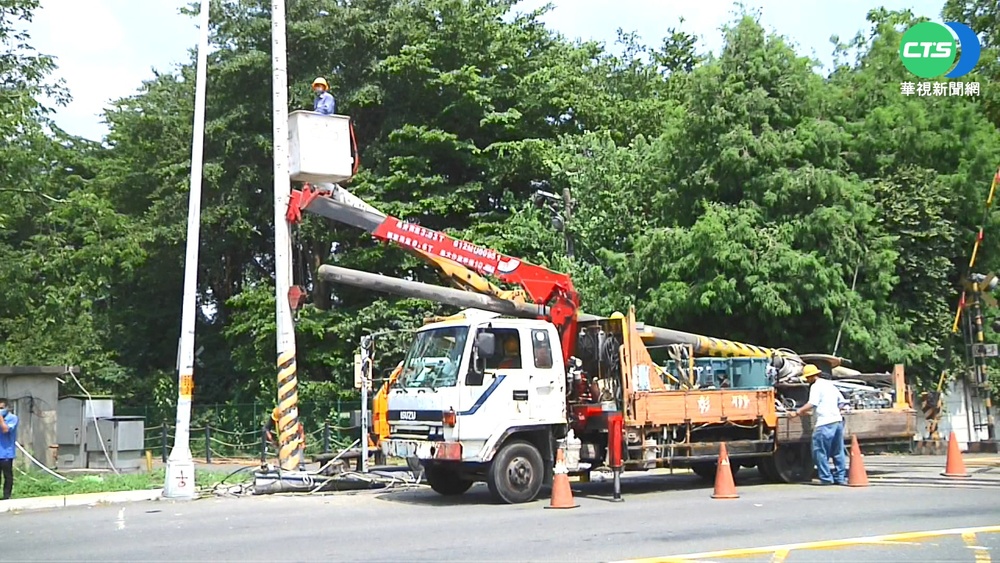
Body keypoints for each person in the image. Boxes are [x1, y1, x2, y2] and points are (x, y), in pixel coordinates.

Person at [789, 364, 848, 485]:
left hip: (824, 423)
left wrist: (798, 412)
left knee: (820, 452)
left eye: (807, 378)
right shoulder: (829, 384)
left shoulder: (816, 387)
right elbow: (841, 402)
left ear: (811, 377)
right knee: (838, 452)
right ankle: (840, 478)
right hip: (837, 421)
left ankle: (826, 478)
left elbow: (812, 403)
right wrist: (831, 409)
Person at [0, 398, 18, 500]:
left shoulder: (12, 418)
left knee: (7, 476)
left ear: (7, 408)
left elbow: (5, 429)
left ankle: (7, 496)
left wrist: (1, 418)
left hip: (6, 453)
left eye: (1, 408)